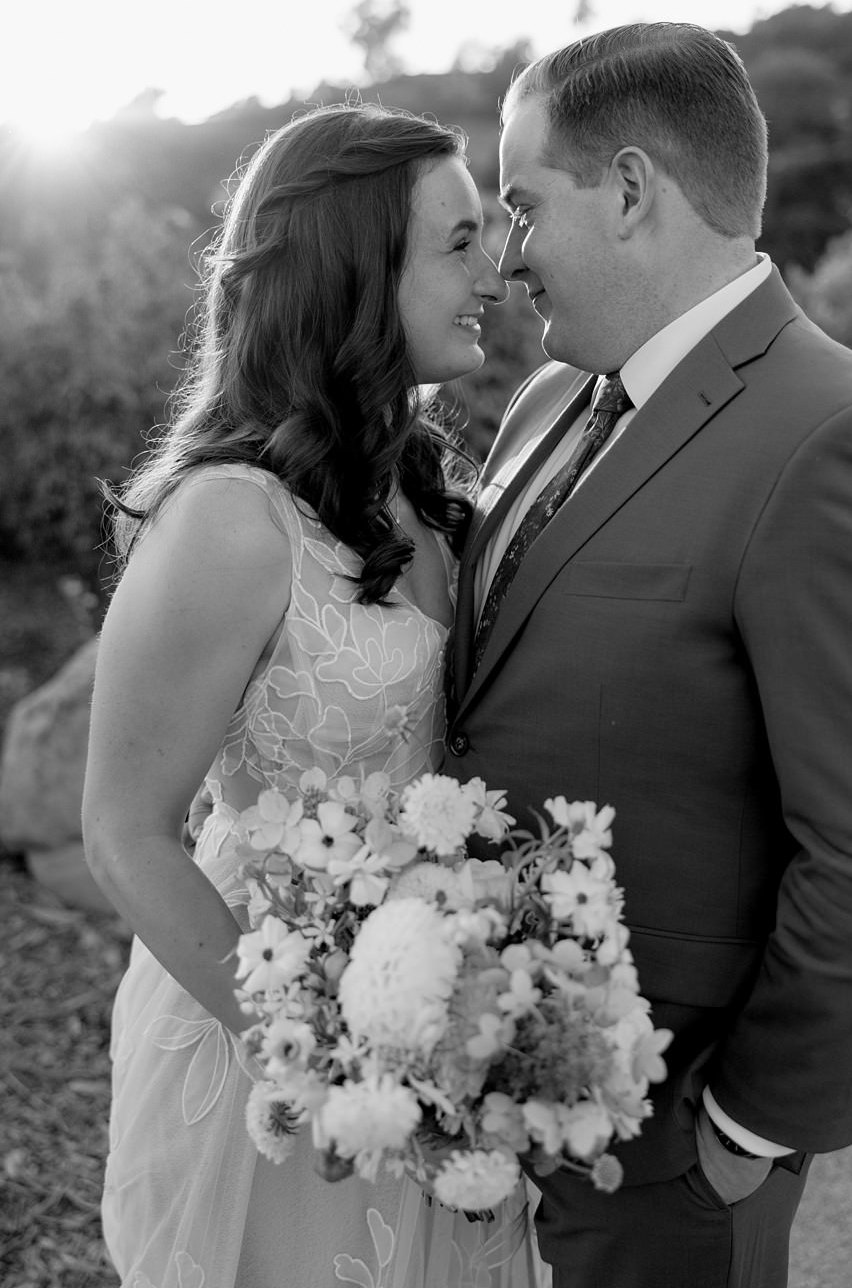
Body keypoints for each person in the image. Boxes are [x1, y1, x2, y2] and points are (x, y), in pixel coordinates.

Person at [441, 21, 852, 1287]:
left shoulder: (844, 439)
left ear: (629, 189)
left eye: (524, 205)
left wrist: (745, 1127)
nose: (509, 256)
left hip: (668, 1151)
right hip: (485, 1105)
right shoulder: (546, 403)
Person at [81, 104, 543, 1286]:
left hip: (441, 1013)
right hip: (271, 1040)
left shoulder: (429, 489)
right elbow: (125, 829)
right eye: (456, 242)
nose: (494, 269)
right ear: (352, 269)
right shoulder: (230, 520)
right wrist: (320, 1053)